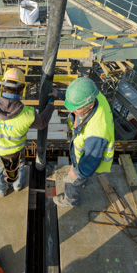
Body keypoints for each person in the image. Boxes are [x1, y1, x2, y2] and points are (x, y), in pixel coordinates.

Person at [0, 67, 57, 196]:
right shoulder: (28, 114)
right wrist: (51, 103)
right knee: (18, 168)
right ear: (22, 88)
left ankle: (1, 191)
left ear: (3, 87)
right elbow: (43, 122)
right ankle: (18, 187)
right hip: (15, 153)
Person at [53, 76, 114, 207]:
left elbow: (91, 161)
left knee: (72, 181)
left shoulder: (97, 132)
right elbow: (79, 100)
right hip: (85, 150)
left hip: (88, 161)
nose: (71, 110)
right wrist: (60, 95)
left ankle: (71, 200)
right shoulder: (94, 97)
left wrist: (77, 173)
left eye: (75, 108)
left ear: (90, 105)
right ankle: (82, 180)